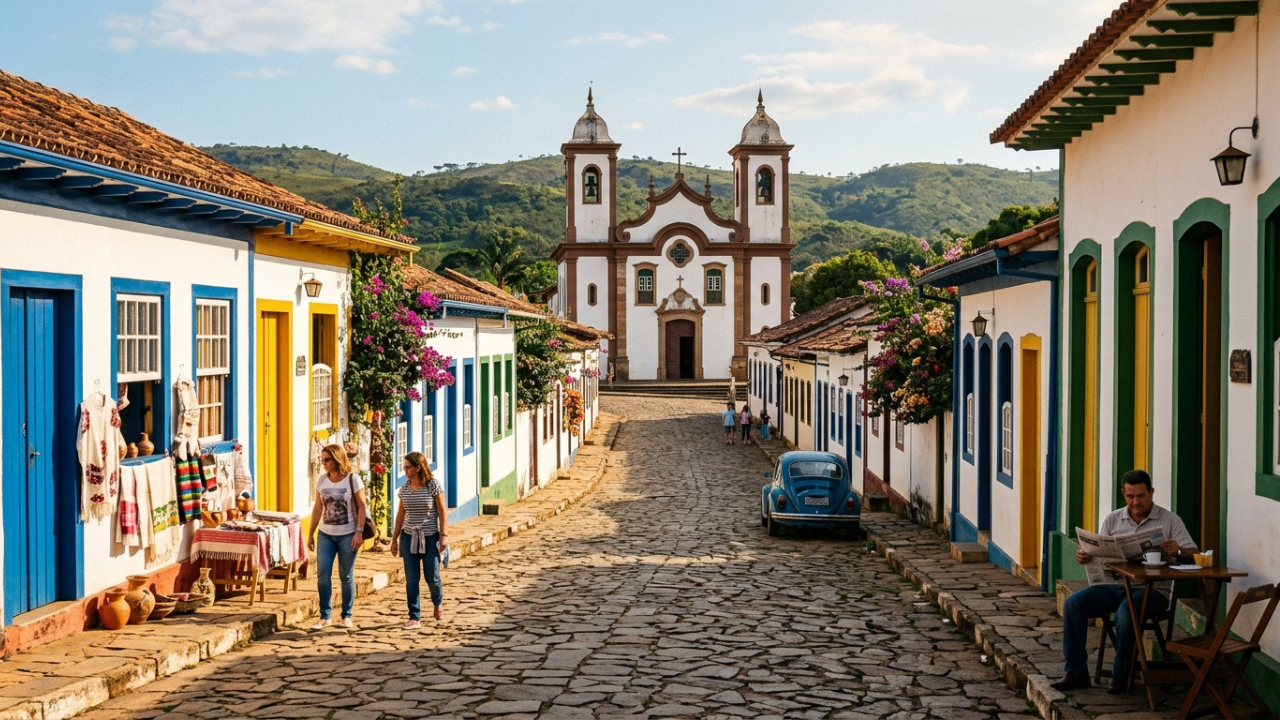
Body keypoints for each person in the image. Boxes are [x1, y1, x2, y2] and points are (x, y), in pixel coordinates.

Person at [1050, 469, 1198, 694]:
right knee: (1073, 604)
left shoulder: (1169, 520)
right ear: (1123, 494)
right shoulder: (1113, 518)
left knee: (1126, 612)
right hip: (1114, 586)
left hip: (1152, 591)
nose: (1135, 502)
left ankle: (1121, 675)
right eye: (1130, 497)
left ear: (1151, 492)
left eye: (1141, 496)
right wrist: (1085, 555)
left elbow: (1196, 554)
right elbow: (1099, 552)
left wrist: (1178, 550)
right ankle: (1076, 671)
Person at [308, 444, 368, 630]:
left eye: (327, 459)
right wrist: (311, 533)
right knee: (323, 575)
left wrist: (358, 532)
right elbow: (318, 508)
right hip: (326, 535)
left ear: (337, 459)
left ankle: (346, 615)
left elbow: (362, 507)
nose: (323, 463)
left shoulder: (353, 479)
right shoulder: (322, 481)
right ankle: (325, 616)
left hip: (348, 534)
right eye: (322, 459)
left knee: (346, 576)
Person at [391, 452, 448, 628]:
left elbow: (442, 511)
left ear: (418, 467)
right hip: (409, 537)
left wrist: (444, 535)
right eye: (404, 467)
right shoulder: (405, 489)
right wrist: (395, 538)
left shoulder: (433, 486)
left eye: (408, 467)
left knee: (432, 577)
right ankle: (414, 616)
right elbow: (401, 514)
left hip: (430, 537)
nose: (405, 470)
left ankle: (437, 603)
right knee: (412, 578)